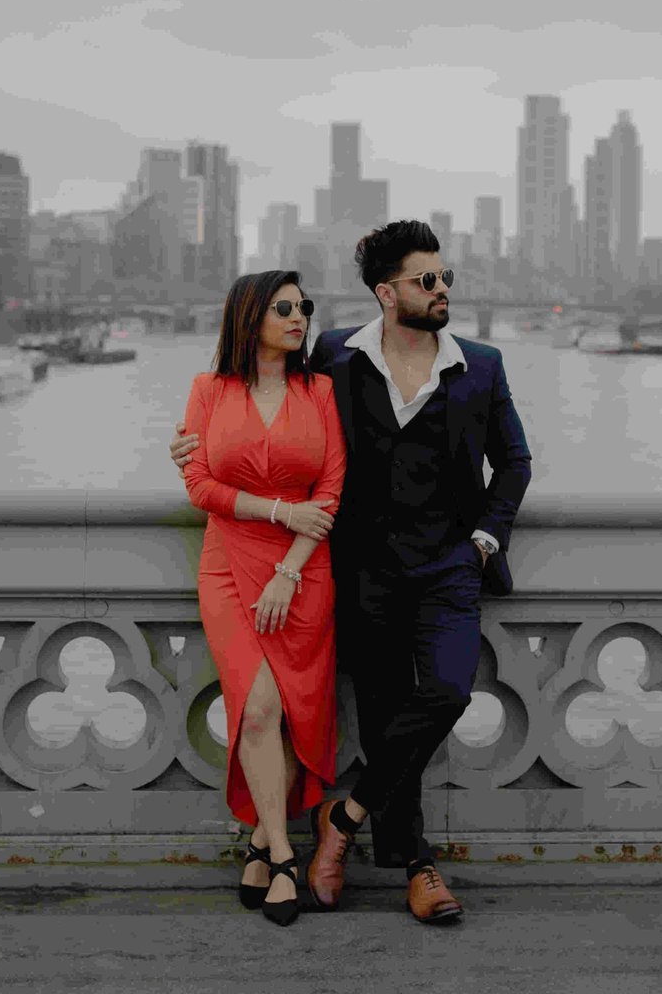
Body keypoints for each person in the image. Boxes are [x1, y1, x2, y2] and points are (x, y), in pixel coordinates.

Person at [172, 221, 532, 925]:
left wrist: (486, 539)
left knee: (449, 690)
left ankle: (345, 815)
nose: (442, 289)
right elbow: (256, 407)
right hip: (362, 572)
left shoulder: (481, 364)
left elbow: (514, 462)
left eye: (445, 277)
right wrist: (189, 447)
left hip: (449, 568)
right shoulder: (334, 357)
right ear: (386, 292)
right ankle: (417, 868)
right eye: (426, 280)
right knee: (385, 717)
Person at [180, 270, 345, 927]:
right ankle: (282, 855)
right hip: (227, 565)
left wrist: (290, 570)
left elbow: (330, 491)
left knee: (289, 712)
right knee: (257, 707)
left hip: (304, 572)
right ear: (250, 317)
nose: (299, 316)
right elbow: (197, 484)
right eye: (284, 308)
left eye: (303, 307)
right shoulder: (207, 391)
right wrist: (278, 510)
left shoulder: (321, 390)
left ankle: (257, 841)